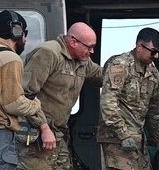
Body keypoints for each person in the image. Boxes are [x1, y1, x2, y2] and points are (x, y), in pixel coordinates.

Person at [16, 22, 103, 170]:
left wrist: (130, 64)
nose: (92, 51)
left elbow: (102, 76)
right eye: (89, 47)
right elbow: (26, 94)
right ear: (73, 42)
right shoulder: (48, 53)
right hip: (37, 132)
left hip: (58, 133)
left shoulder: (82, 61)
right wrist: (44, 128)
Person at [97, 27, 159, 170]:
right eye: (153, 51)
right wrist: (123, 135)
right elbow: (108, 103)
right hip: (116, 139)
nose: (156, 56)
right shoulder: (120, 66)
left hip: (138, 140)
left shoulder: (153, 74)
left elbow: (154, 112)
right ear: (139, 47)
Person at [0, 10, 41, 170]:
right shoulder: (9, 57)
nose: (25, 39)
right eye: (24, 33)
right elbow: (13, 104)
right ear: (17, 32)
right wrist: (36, 105)